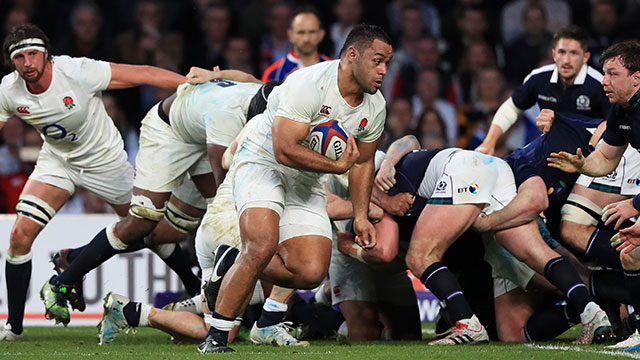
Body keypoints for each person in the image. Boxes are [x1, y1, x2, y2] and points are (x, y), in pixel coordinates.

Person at [197, 24, 393, 354]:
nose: (383, 70)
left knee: (310, 273)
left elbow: (362, 163)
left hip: (306, 180)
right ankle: (215, 339)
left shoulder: (375, 107)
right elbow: (283, 148)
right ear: (352, 55)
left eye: (387, 63)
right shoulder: (308, 83)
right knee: (260, 245)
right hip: (265, 165)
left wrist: (360, 216)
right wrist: (334, 167)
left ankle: (233, 261)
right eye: (377, 61)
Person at [42, 67, 271, 326]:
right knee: (144, 221)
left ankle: (72, 258)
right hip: (168, 132)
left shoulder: (266, 95)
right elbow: (226, 189)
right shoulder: (228, 115)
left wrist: (213, 74)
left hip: (198, 132)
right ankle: (60, 283)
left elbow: (247, 77)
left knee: (168, 233)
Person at [0, 23, 186, 341]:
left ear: (47, 55)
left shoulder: (77, 70)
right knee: (19, 236)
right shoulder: (9, 89)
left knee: (154, 235)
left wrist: (189, 84)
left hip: (106, 162)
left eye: (33, 54)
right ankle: (14, 328)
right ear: (12, 63)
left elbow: (140, 72)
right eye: (19, 58)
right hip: (58, 162)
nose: (27, 63)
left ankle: (72, 259)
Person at [549, 41, 640, 351]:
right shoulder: (621, 111)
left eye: (613, 73)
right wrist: (582, 164)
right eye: (603, 73)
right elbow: (606, 159)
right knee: (631, 253)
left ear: (636, 78)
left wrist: (634, 204)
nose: (604, 81)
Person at [476, 25, 611, 156]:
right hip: (549, 152)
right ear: (554, 54)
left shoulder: (600, 84)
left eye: (574, 53)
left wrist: (590, 150)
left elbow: (612, 125)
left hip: (591, 156)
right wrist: (489, 141)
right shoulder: (539, 78)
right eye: (562, 52)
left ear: (585, 57)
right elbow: (512, 108)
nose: (566, 60)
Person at [261, 6, 330, 83]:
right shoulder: (273, 73)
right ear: (290, 34)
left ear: (321, 34)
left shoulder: (334, 69)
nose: (306, 38)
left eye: (312, 32)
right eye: (301, 32)